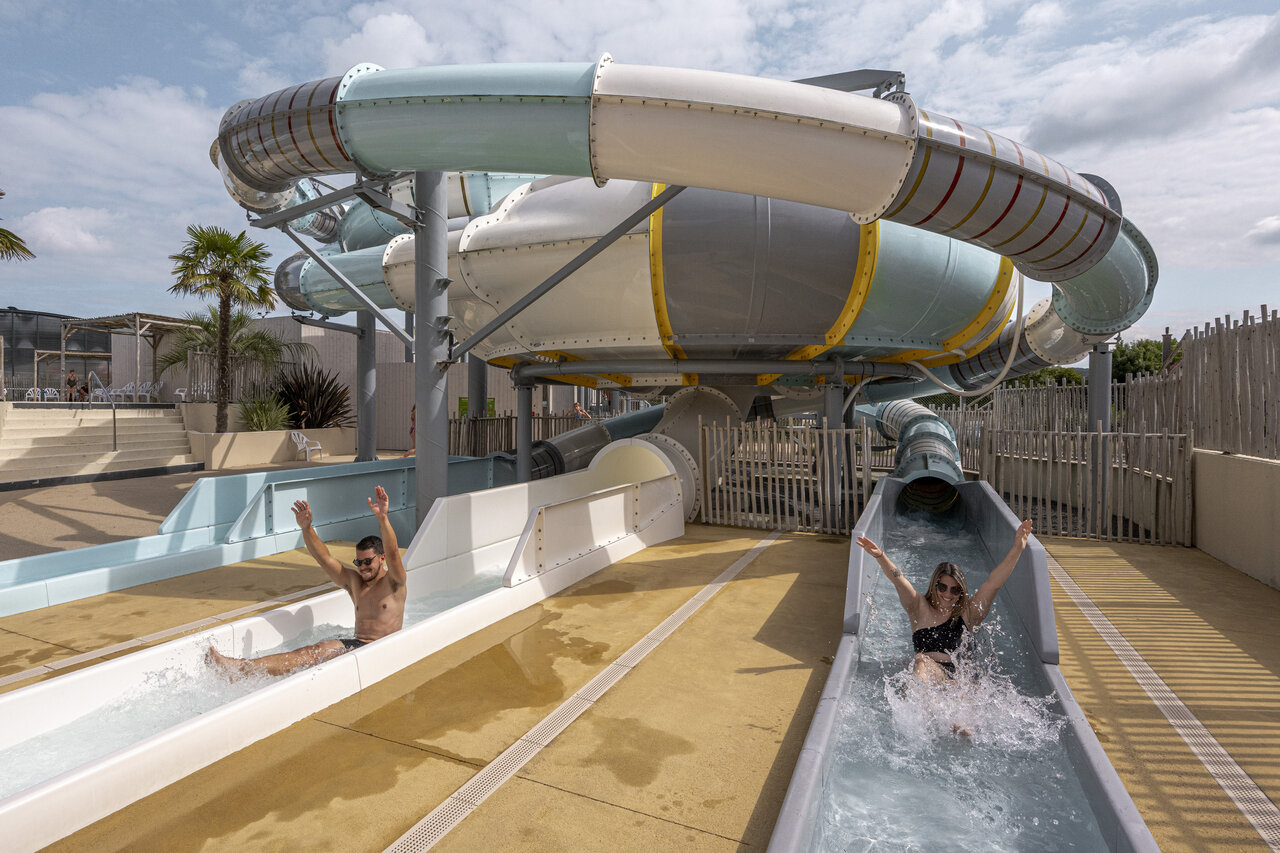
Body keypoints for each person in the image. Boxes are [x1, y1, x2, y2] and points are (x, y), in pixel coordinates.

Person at [207, 485, 408, 677]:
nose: (362, 567)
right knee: (311, 652)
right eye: (358, 561)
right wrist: (307, 528)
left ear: (381, 559)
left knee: (315, 653)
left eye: (367, 561)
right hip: (357, 645)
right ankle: (243, 670)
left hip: (381, 650)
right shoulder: (355, 583)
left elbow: (393, 553)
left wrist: (382, 518)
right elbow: (325, 559)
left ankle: (240, 670)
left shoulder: (394, 582)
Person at [855, 519, 1034, 684]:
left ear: (961, 592)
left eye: (955, 589)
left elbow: (994, 583)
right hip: (930, 674)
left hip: (962, 680)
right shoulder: (919, 607)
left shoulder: (968, 613)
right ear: (935, 585)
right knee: (921, 661)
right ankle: (920, 711)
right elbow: (898, 579)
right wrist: (880, 556)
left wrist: (1018, 548)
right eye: (942, 587)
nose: (947, 594)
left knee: (961, 696)